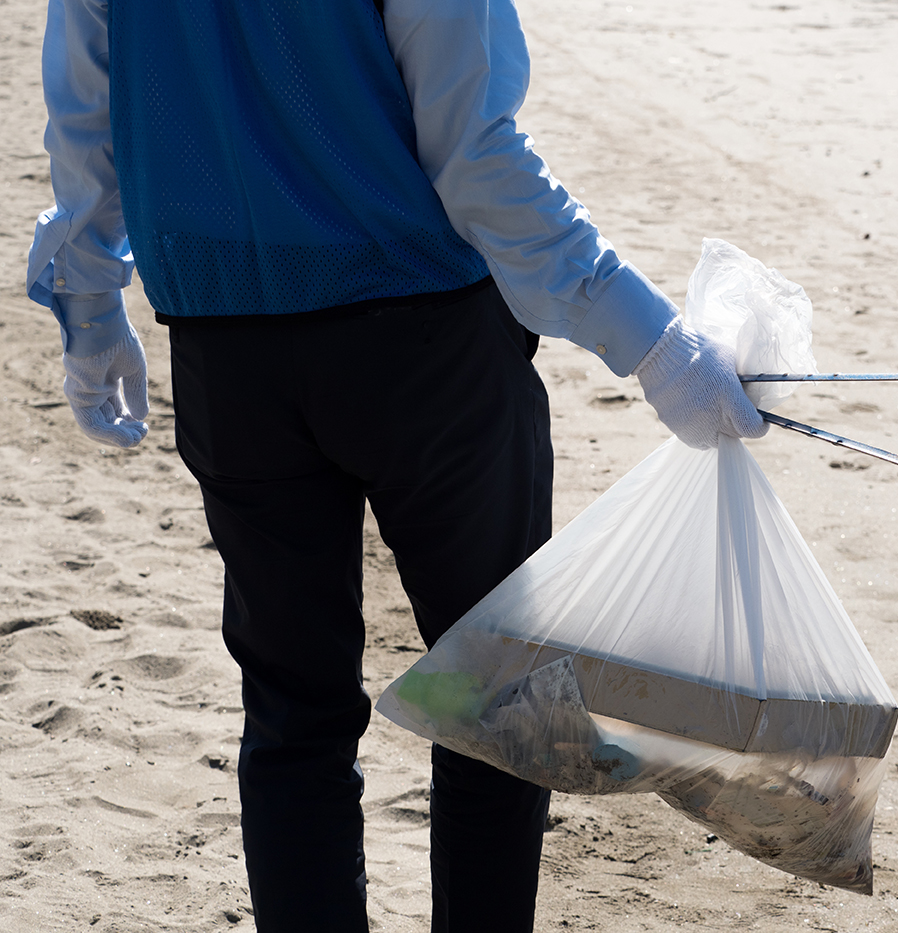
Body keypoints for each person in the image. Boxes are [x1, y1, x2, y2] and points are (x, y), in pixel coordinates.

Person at [28, 0, 767, 930]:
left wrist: (90, 307)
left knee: (295, 717)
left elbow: (84, 115)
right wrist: (653, 344)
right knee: (492, 702)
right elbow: (480, 162)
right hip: (426, 352)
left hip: (230, 354)